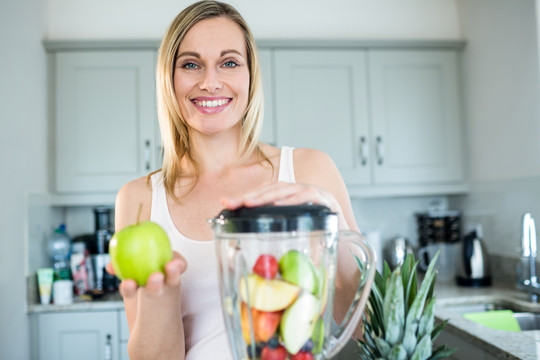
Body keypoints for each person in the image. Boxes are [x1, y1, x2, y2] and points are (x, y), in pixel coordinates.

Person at [109, 1, 362, 359]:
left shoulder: (309, 170)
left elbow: (366, 326)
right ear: (169, 78)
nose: (210, 82)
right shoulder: (138, 199)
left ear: (250, 76)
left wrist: (333, 223)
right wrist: (159, 296)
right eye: (190, 64)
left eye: (229, 62)